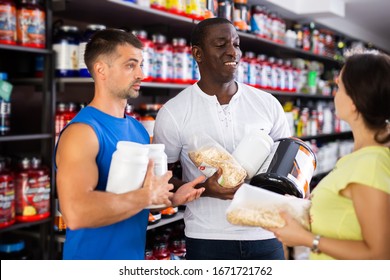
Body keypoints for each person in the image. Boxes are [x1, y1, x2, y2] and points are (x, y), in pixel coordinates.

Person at [55, 29, 205, 260]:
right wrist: (147, 196)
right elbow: (76, 213)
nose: (141, 74)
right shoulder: (82, 133)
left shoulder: (137, 130)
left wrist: (170, 198)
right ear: (101, 70)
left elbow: (136, 201)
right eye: (130, 65)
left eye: (141, 65)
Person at [153, 18, 291, 260]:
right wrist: (207, 189)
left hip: (265, 235)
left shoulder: (267, 104)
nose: (232, 51)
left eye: (236, 44)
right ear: (198, 53)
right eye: (221, 44)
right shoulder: (174, 112)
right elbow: (161, 180)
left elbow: (287, 163)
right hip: (207, 238)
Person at [267, 51, 390, 260]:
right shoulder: (358, 158)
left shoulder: (370, 163)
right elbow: (345, 218)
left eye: (339, 87)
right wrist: (305, 208)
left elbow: (380, 255)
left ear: (354, 101)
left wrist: (305, 238)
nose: (335, 94)